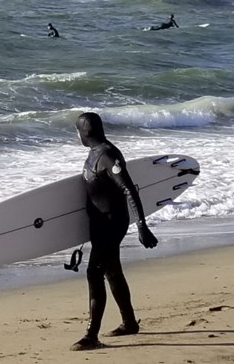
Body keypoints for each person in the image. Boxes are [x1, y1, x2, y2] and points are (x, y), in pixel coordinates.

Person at [71, 112, 158, 351]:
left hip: (112, 224)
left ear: (84, 132)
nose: (77, 135)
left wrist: (142, 226)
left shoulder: (108, 155)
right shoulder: (94, 154)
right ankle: (129, 323)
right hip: (99, 225)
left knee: (94, 273)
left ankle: (91, 336)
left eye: (78, 131)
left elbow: (130, 190)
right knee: (112, 272)